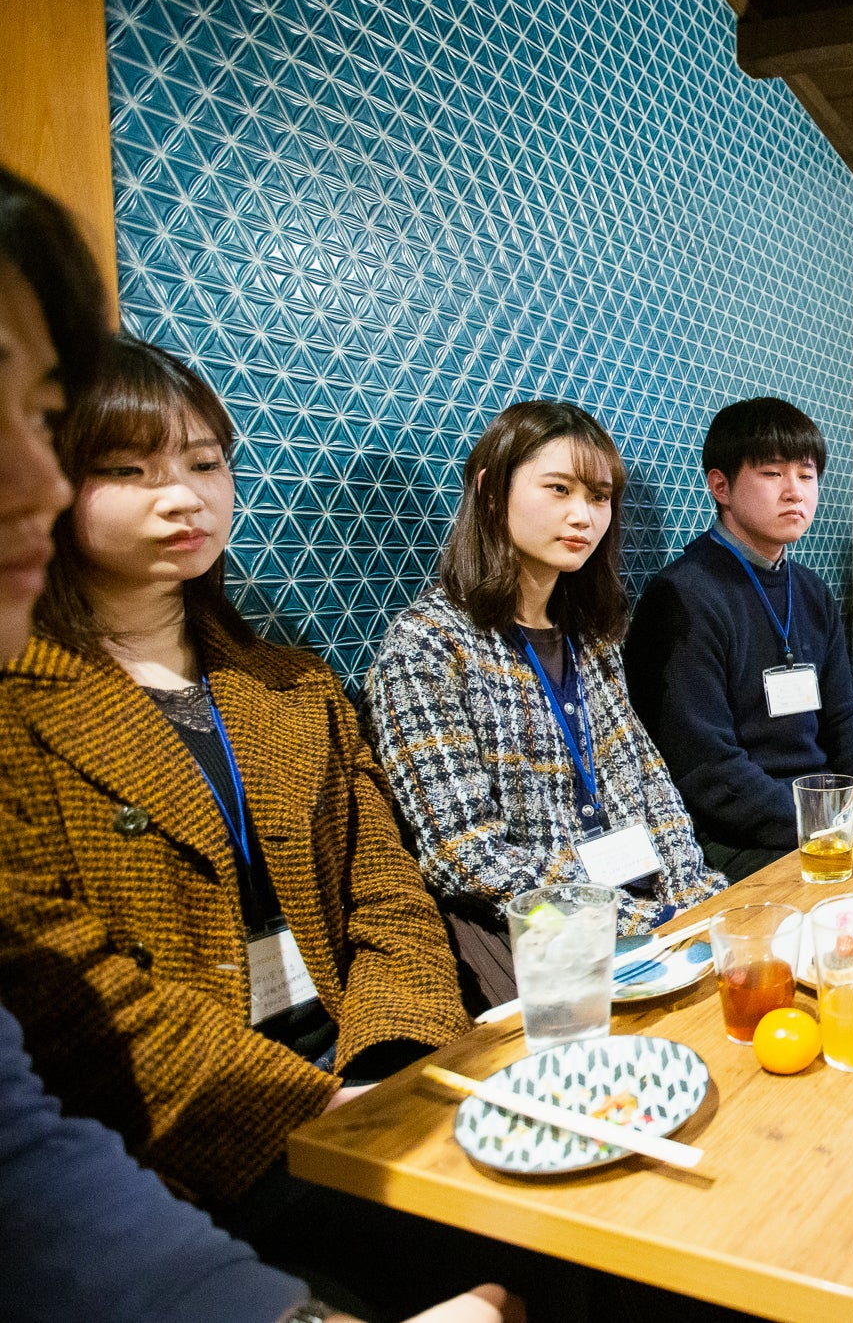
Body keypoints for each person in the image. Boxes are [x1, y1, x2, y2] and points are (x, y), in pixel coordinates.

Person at [0, 165, 513, 1323]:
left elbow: (387, 893)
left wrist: (388, 1067)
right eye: (126, 471)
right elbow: (74, 995)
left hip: (364, 1069)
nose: (182, 497)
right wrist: (309, 1109)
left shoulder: (292, 682)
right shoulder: (21, 701)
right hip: (186, 1134)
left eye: (204, 463)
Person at [368, 400, 725, 997]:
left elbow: (649, 785)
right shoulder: (428, 645)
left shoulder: (591, 637)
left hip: (650, 916)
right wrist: (637, 923)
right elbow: (463, 854)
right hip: (538, 936)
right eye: (558, 489)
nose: (582, 516)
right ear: (490, 491)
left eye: (599, 497)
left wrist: (697, 900)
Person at [624, 397, 853, 880]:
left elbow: (848, 724)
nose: (795, 492)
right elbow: (707, 770)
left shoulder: (811, 590)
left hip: (822, 822)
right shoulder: (683, 597)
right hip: (733, 839)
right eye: (773, 473)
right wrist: (830, 826)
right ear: (721, 486)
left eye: (807, 475)